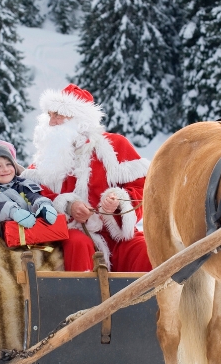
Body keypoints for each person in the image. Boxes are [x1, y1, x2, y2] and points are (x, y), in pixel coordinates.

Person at [22, 84, 152, 272]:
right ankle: (85, 302)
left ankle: (146, 301)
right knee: (79, 244)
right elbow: (31, 193)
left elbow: (144, 191)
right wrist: (67, 206)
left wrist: (118, 202)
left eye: (58, 115)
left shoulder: (115, 146)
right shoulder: (48, 155)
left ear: (79, 119)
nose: (51, 122)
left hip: (116, 234)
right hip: (73, 232)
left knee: (145, 250)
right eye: (50, 115)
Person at [0, 141, 57, 236]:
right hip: (0, 240)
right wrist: (12, 211)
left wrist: (43, 204)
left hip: (30, 236)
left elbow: (32, 197)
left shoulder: (22, 184)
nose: (5, 169)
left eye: (9, 164)